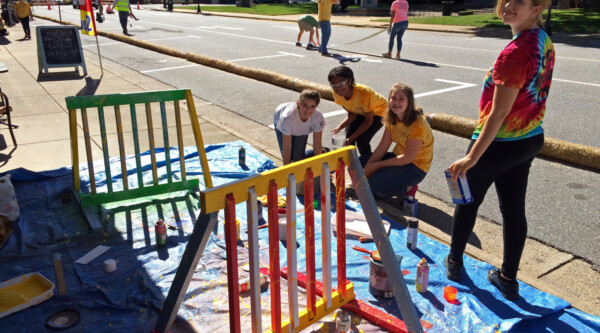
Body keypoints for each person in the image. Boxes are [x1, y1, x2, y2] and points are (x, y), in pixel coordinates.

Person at [444, 0, 555, 301]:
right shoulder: (542, 40)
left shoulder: (514, 53)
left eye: (518, 1)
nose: (507, 5)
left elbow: (498, 113)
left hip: (499, 143)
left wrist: (471, 157)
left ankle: (453, 263)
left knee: (466, 202)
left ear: (537, 8)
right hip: (529, 139)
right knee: (513, 210)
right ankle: (508, 278)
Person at [360, 83, 433, 199]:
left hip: (416, 167)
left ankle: (408, 188)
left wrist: (377, 166)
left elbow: (407, 158)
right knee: (359, 164)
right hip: (398, 157)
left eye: (401, 99)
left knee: (370, 191)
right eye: (393, 98)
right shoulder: (392, 118)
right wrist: (368, 168)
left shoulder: (418, 125)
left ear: (409, 102)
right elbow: (383, 147)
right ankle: (382, 178)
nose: (396, 102)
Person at [328, 66, 388, 156]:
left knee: (362, 141)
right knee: (347, 138)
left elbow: (368, 121)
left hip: (380, 112)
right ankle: (353, 164)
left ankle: (367, 163)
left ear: (350, 81)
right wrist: (339, 127)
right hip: (362, 111)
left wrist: (351, 139)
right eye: (334, 84)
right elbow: (352, 113)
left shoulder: (363, 93)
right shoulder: (337, 93)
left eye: (341, 83)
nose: (338, 87)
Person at [274, 89, 325, 165]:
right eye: (305, 105)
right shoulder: (288, 117)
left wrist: (321, 167)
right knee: (289, 159)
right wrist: (287, 170)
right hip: (281, 119)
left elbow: (317, 144)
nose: (308, 110)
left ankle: (324, 152)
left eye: (312, 106)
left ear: (316, 107)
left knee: (298, 159)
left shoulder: (318, 117)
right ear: (299, 103)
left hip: (299, 127)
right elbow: (287, 146)